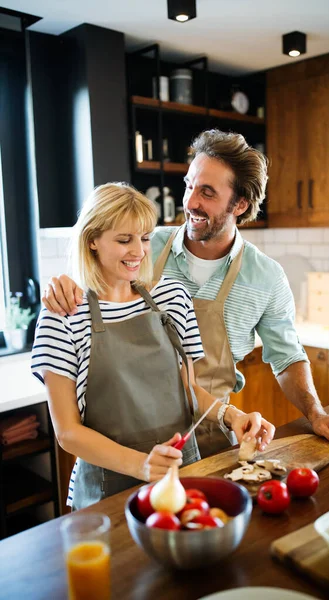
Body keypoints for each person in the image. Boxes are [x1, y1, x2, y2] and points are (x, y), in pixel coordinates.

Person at [42, 129, 329, 456]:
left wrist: (317, 413)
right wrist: (65, 285)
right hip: (131, 436)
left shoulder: (266, 277)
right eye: (189, 185)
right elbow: (94, 281)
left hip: (214, 435)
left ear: (240, 204)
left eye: (207, 192)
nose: (190, 201)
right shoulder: (146, 246)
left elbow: (287, 358)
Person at [31, 183, 274, 510]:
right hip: (107, 489)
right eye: (123, 239)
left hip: (181, 471)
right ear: (92, 240)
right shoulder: (62, 316)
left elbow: (188, 388)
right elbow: (68, 433)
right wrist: (142, 465)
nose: (139, 251)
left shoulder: (171, 298)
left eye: (144, 238)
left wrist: (231, 415)